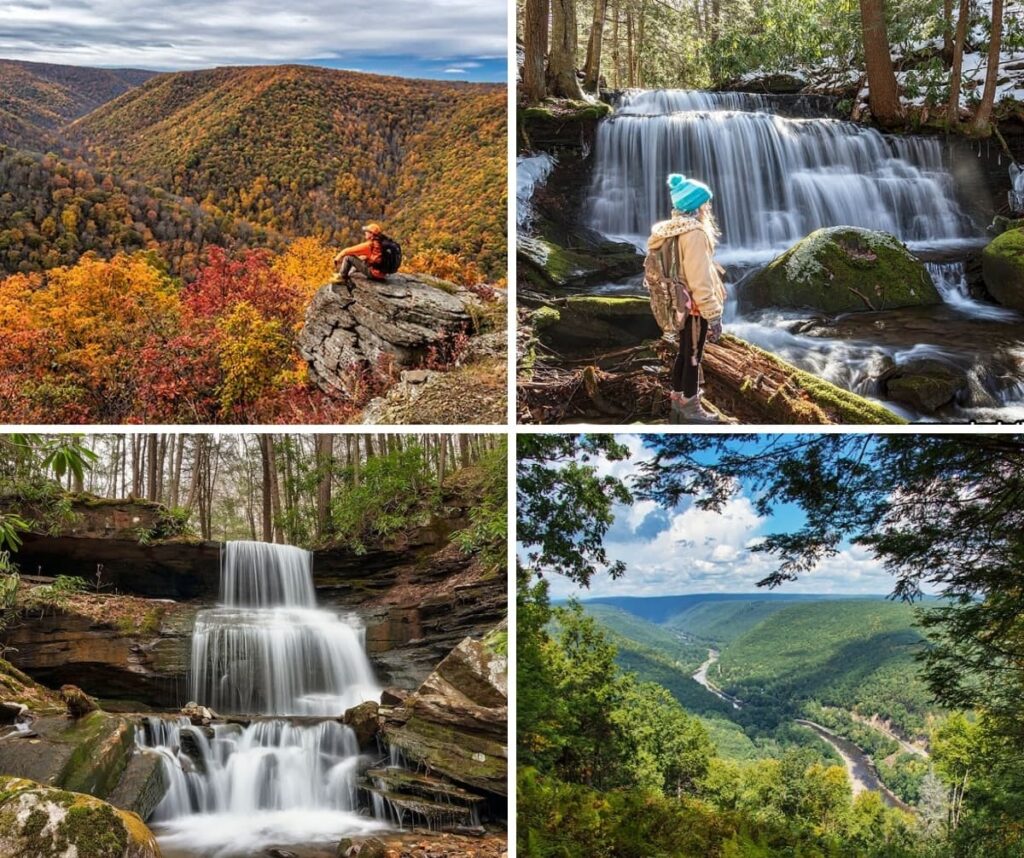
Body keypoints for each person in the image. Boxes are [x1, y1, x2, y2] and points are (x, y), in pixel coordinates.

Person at [647, 173, 727, 424]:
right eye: (705, 203)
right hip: (693, 308)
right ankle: (691, 407)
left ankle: (677, 401)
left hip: (676, 304)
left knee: (683, 354)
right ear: (697, 205)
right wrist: (713, 315)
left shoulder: (665, 231)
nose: (707, 207)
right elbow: (699, 280)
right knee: (693, 357)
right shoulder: (694, 234)